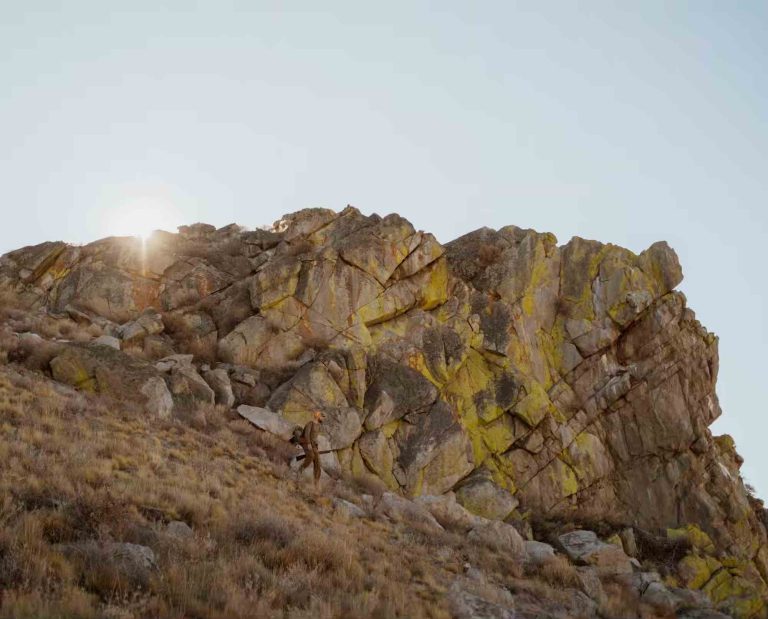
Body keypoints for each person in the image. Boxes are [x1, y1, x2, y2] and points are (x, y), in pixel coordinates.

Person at [292, 410, 324, 485]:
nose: (323, 419)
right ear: (317, 416)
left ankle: (316, 482)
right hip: (306, 443)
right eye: (322, 417)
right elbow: (306, 435)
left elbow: (315, 437)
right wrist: (309, 444)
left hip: (313, 445)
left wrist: (316, 446)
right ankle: (300, 471)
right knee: (311, 456)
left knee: (318, 462)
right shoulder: (310, 424)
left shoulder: (318, 426)